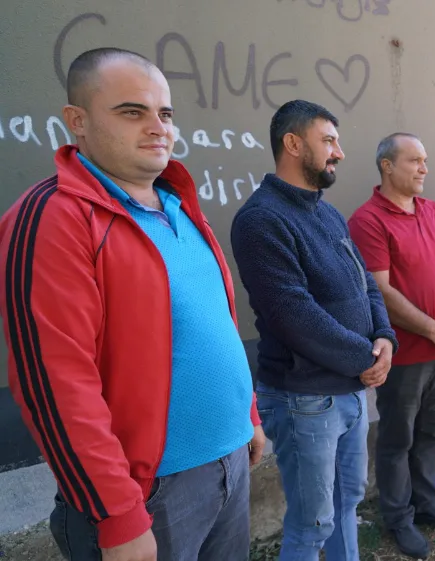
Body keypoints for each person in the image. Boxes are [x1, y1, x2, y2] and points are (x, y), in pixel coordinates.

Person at [0, 47, 264, 561]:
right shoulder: (54, 217)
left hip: (230, 462)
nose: (157, 127)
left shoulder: (178, 204)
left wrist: (247, 415)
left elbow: (215, 324)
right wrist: (116, 514)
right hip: (148, 494)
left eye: (165, 113)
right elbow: (54, 384)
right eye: (131, 111)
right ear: (77, 120)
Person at [231, 100, 398, 561]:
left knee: (347, 503)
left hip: (349, 390)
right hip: (304, 399)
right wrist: (367, 359)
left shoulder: (328, 214)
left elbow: (365, 282)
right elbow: (292, 313)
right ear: (293, 143)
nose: (338, 152)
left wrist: (384, 337)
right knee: (313, 524)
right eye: (328, 141)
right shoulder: (261, 220)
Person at [347, 133, 435, 559]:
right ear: (387, 165)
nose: (424, 168)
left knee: (430, 432)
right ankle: (398, 518)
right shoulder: (368, 220)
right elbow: (379, 291)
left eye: (425, 160)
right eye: (415, 160)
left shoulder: (431, 210)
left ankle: (425, 502)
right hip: (405, 357)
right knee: (397, 439)